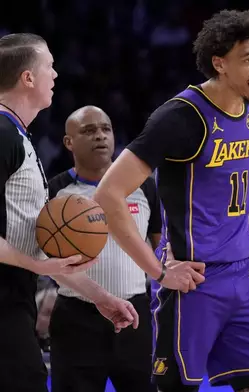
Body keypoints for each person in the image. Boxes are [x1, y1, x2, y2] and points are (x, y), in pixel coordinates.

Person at [94, 10, 249, 392]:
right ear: (220, 63)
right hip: (193, 283)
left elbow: (245, 174)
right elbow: (107, 194)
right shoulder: (182, 117)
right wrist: (160, 273)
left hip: (243, 277)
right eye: (248, 59)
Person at [0, 33, 137, 392]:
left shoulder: (18, 136)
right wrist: (37, 266)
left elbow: (44, 247)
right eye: (49, 66)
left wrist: (102, 298)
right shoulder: (2, 134)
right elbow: (38, 259)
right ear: (28, 78)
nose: (57, 74)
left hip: (16, 296)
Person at [47, 106, 161, 392]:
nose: (100, 136)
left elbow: (160, 246)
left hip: (137, 315)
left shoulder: (144, 188)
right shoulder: (54, 191)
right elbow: (44, 257)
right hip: (76, 319)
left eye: (105, 129)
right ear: (68, 142)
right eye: (88, 130)